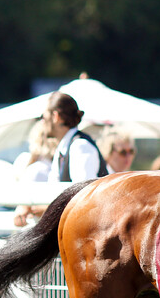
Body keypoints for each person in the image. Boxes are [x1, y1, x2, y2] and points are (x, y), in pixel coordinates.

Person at [13, 93, 108, 226]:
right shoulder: (65, 147)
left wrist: (47, 210)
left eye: (44, 117)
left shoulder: (80, 146)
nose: (42, 122)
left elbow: (84, 197)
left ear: (56, 117)